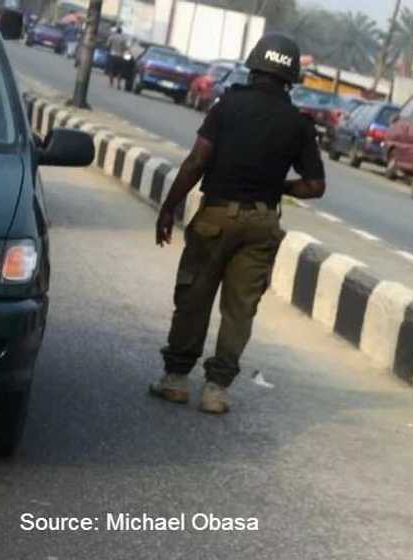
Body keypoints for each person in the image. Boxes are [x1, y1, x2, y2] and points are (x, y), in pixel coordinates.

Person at [149, 33, 326, 414]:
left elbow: (197, 160)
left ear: (254, 65)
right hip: (262, 223)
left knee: (194, 297)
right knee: (240, 309)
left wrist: (169, 207)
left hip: (215, 215)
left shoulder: (228, 105)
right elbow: (315, 186)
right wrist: (278, 185)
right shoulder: (298, 124)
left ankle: (176, 379)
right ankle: (216, 390)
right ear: (290, 77)